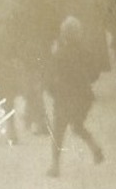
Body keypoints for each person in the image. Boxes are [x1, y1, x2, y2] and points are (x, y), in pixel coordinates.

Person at [45, 15, 105, 177]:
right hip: (83, 97)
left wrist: (52, 91)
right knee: (77, 125)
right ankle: (95, 147)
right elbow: (95, 72)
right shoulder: (85, 51)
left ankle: (55, 165)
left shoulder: (59, 54)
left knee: (58, 130)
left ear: (63, 34)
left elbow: (51, 77)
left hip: (64, 97)